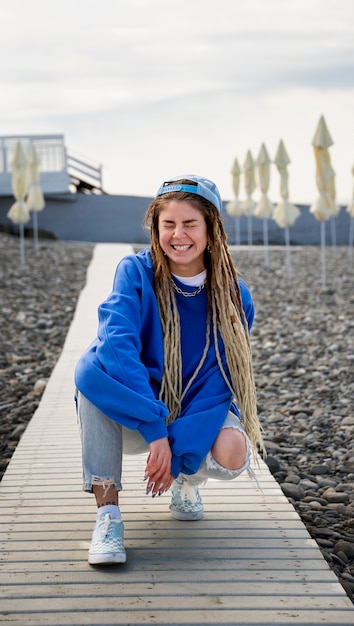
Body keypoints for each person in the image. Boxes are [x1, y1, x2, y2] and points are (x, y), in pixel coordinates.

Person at [74, 174, 265, 565]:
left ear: (212, 230)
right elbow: (116, 346)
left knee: (232, 451)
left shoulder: (233, 295)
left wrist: (180, 452)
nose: (179, 234)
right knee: (93, 384)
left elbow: (221, 380)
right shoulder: (136, 272)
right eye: (169, 224)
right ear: (156, 228)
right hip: (138, 408)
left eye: (190, 224)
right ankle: (107, 515)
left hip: (192, 405)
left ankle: (187, 480)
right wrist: (154, 428)